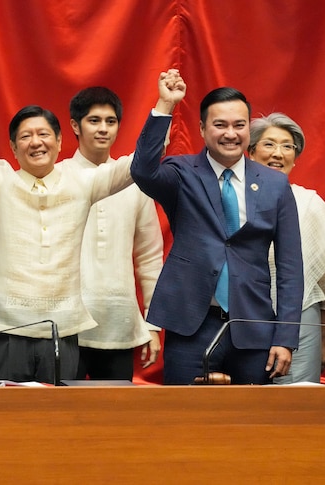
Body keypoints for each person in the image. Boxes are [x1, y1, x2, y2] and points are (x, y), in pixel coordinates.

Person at [0, 72, 175, 384]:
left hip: (64, 329)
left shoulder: (83, 183)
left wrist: (164, 104)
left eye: (43, 134)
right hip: (4, 327)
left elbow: (140, 164)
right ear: (13, 148)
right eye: (25, 136)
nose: (36, 142)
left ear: (59, 142)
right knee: (3, 423)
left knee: (58, 424)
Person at [130, 70, 303, 385]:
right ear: (202, 128)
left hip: (254, 325)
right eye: (220, 125)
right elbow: (142, 170)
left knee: (252, 423)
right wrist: (165, 106)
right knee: (186, 422)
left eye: (239, 125)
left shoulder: (276, 185)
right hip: (191, 325)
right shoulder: (181, 172)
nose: (230, 134)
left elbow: (291, 268)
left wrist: (286, 336)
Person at [64, 86, 163, 380]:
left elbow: (149, 257)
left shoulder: (135, 182)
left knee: (115, 420)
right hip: (66, 324)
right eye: (94, 120)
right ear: (75, 125)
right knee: (60, 419)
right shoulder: (56, 177)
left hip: (119, 323)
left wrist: (152, 325)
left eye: (111, 121)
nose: (103, 129)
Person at [249, 113, 325, 383]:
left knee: (298, 409)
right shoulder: (234, 200)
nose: (278, 154)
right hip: (244, 318)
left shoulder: (309, 203)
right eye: (269, 144)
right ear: (251, 152)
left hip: (301, 321)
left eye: (287, 146)